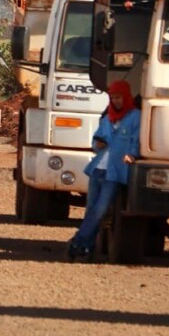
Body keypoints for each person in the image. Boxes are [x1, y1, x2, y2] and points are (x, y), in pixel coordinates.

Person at [66, 80, 141, 262]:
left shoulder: (135, 116)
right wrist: (97, 144)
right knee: (91, 209)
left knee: (100, 209)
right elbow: (96, 140)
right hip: (98, 169)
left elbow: (136, 141)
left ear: (126, 97)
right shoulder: (108, 117)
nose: (116, 101)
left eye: (118, 97)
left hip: (116, 172)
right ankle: (87, 248)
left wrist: (132, 155)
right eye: (113, 98)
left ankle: (78, 242)